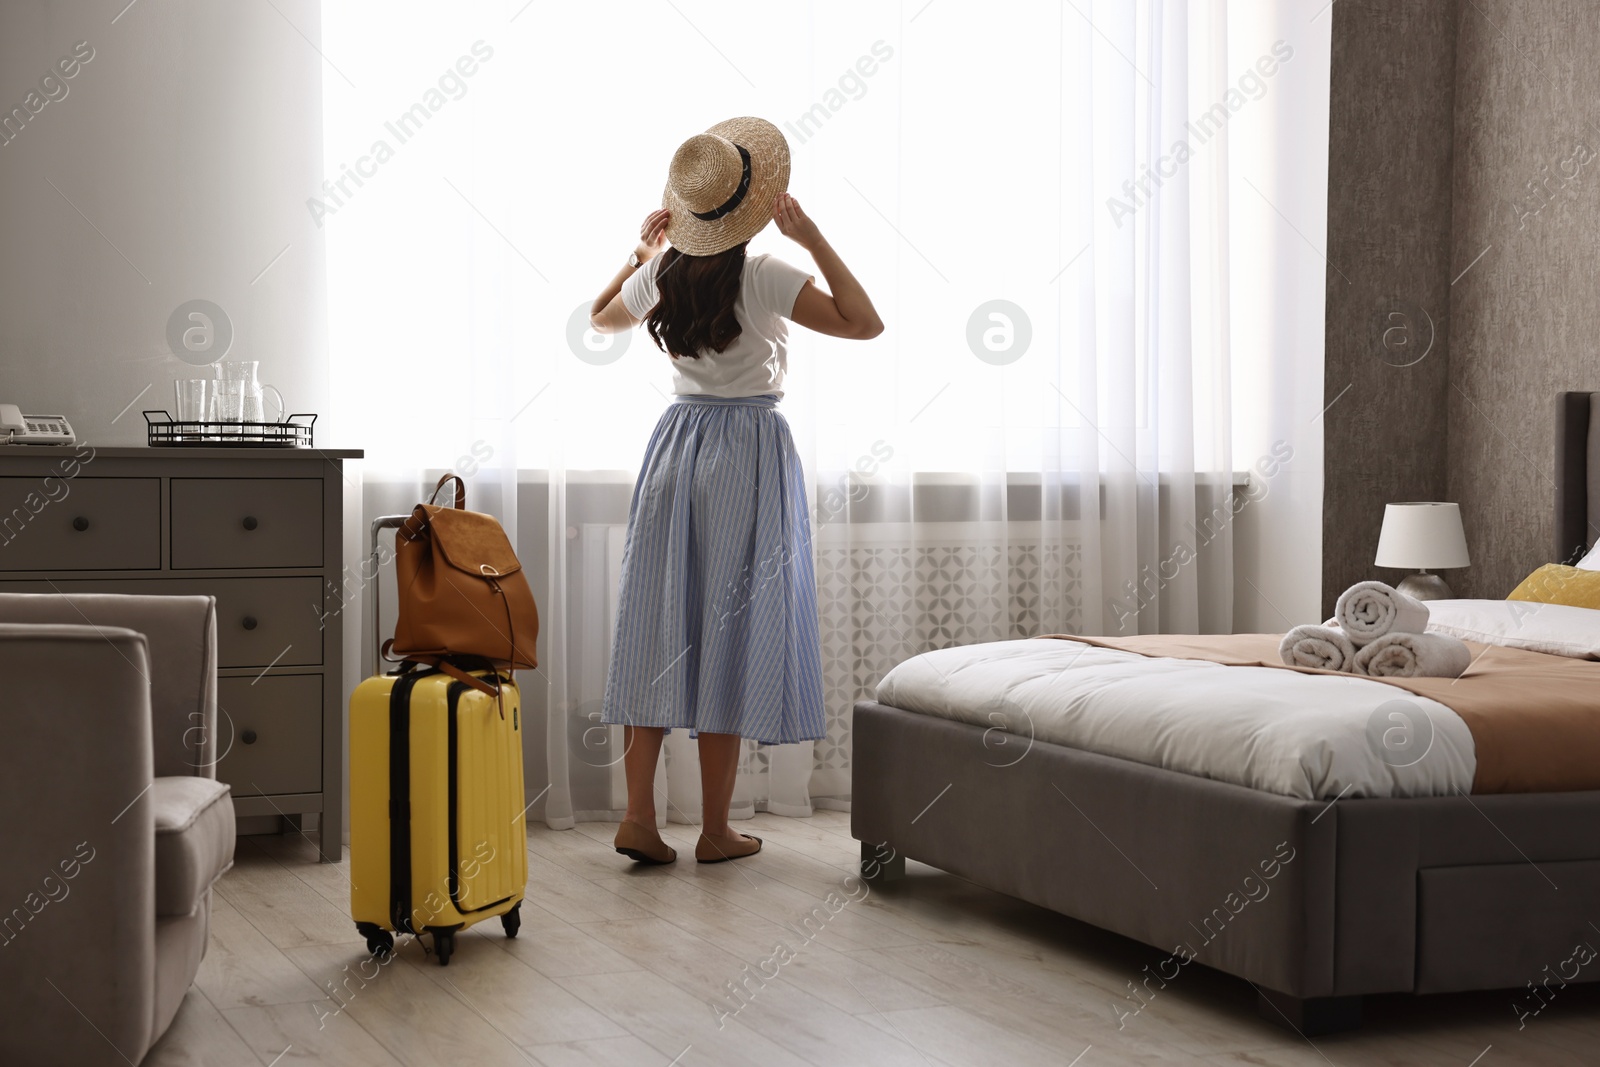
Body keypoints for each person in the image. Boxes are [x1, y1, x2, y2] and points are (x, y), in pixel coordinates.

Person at [588, 116, 882, 864]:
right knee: (726, 628)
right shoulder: (765, 275)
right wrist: (812, 238)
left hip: (674, 447)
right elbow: (865, 324)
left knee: (658, 625)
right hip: (746, 451)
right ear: (750, 206)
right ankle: (715, 830)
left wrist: (639, 253)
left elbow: (598, 318)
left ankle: (637, 818)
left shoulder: (663, 275)